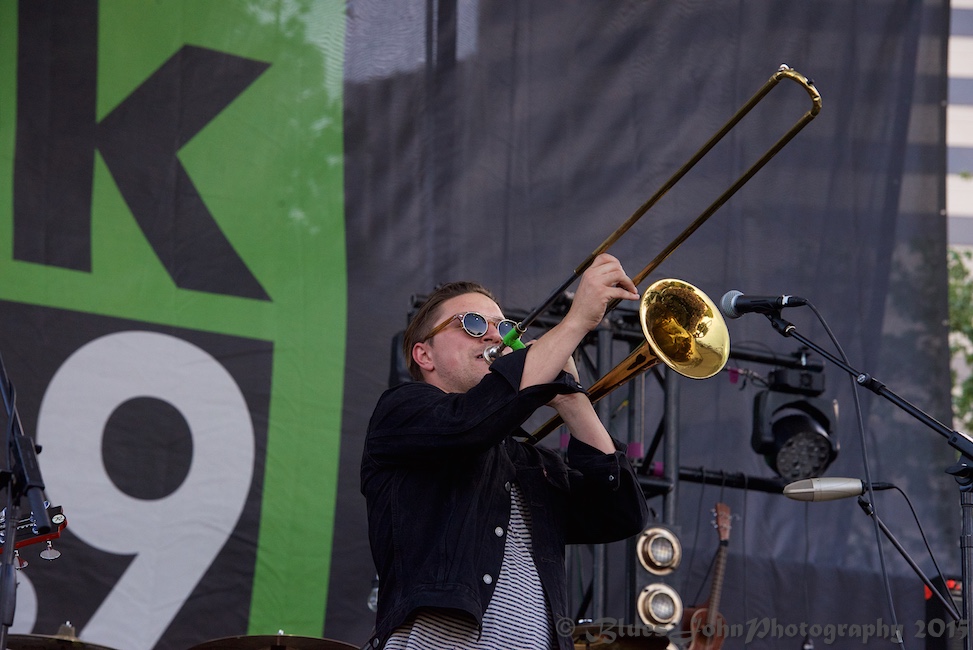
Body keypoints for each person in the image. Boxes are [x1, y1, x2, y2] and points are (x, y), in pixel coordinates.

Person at [360, 253, 650, 650]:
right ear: (423, 354)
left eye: (504, 326)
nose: (496, 337)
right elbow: (469, 423)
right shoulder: (401, 411)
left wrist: (571, 400)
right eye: (473, 323)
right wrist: (577, 321)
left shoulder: (532, 462)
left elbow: (622, 514)